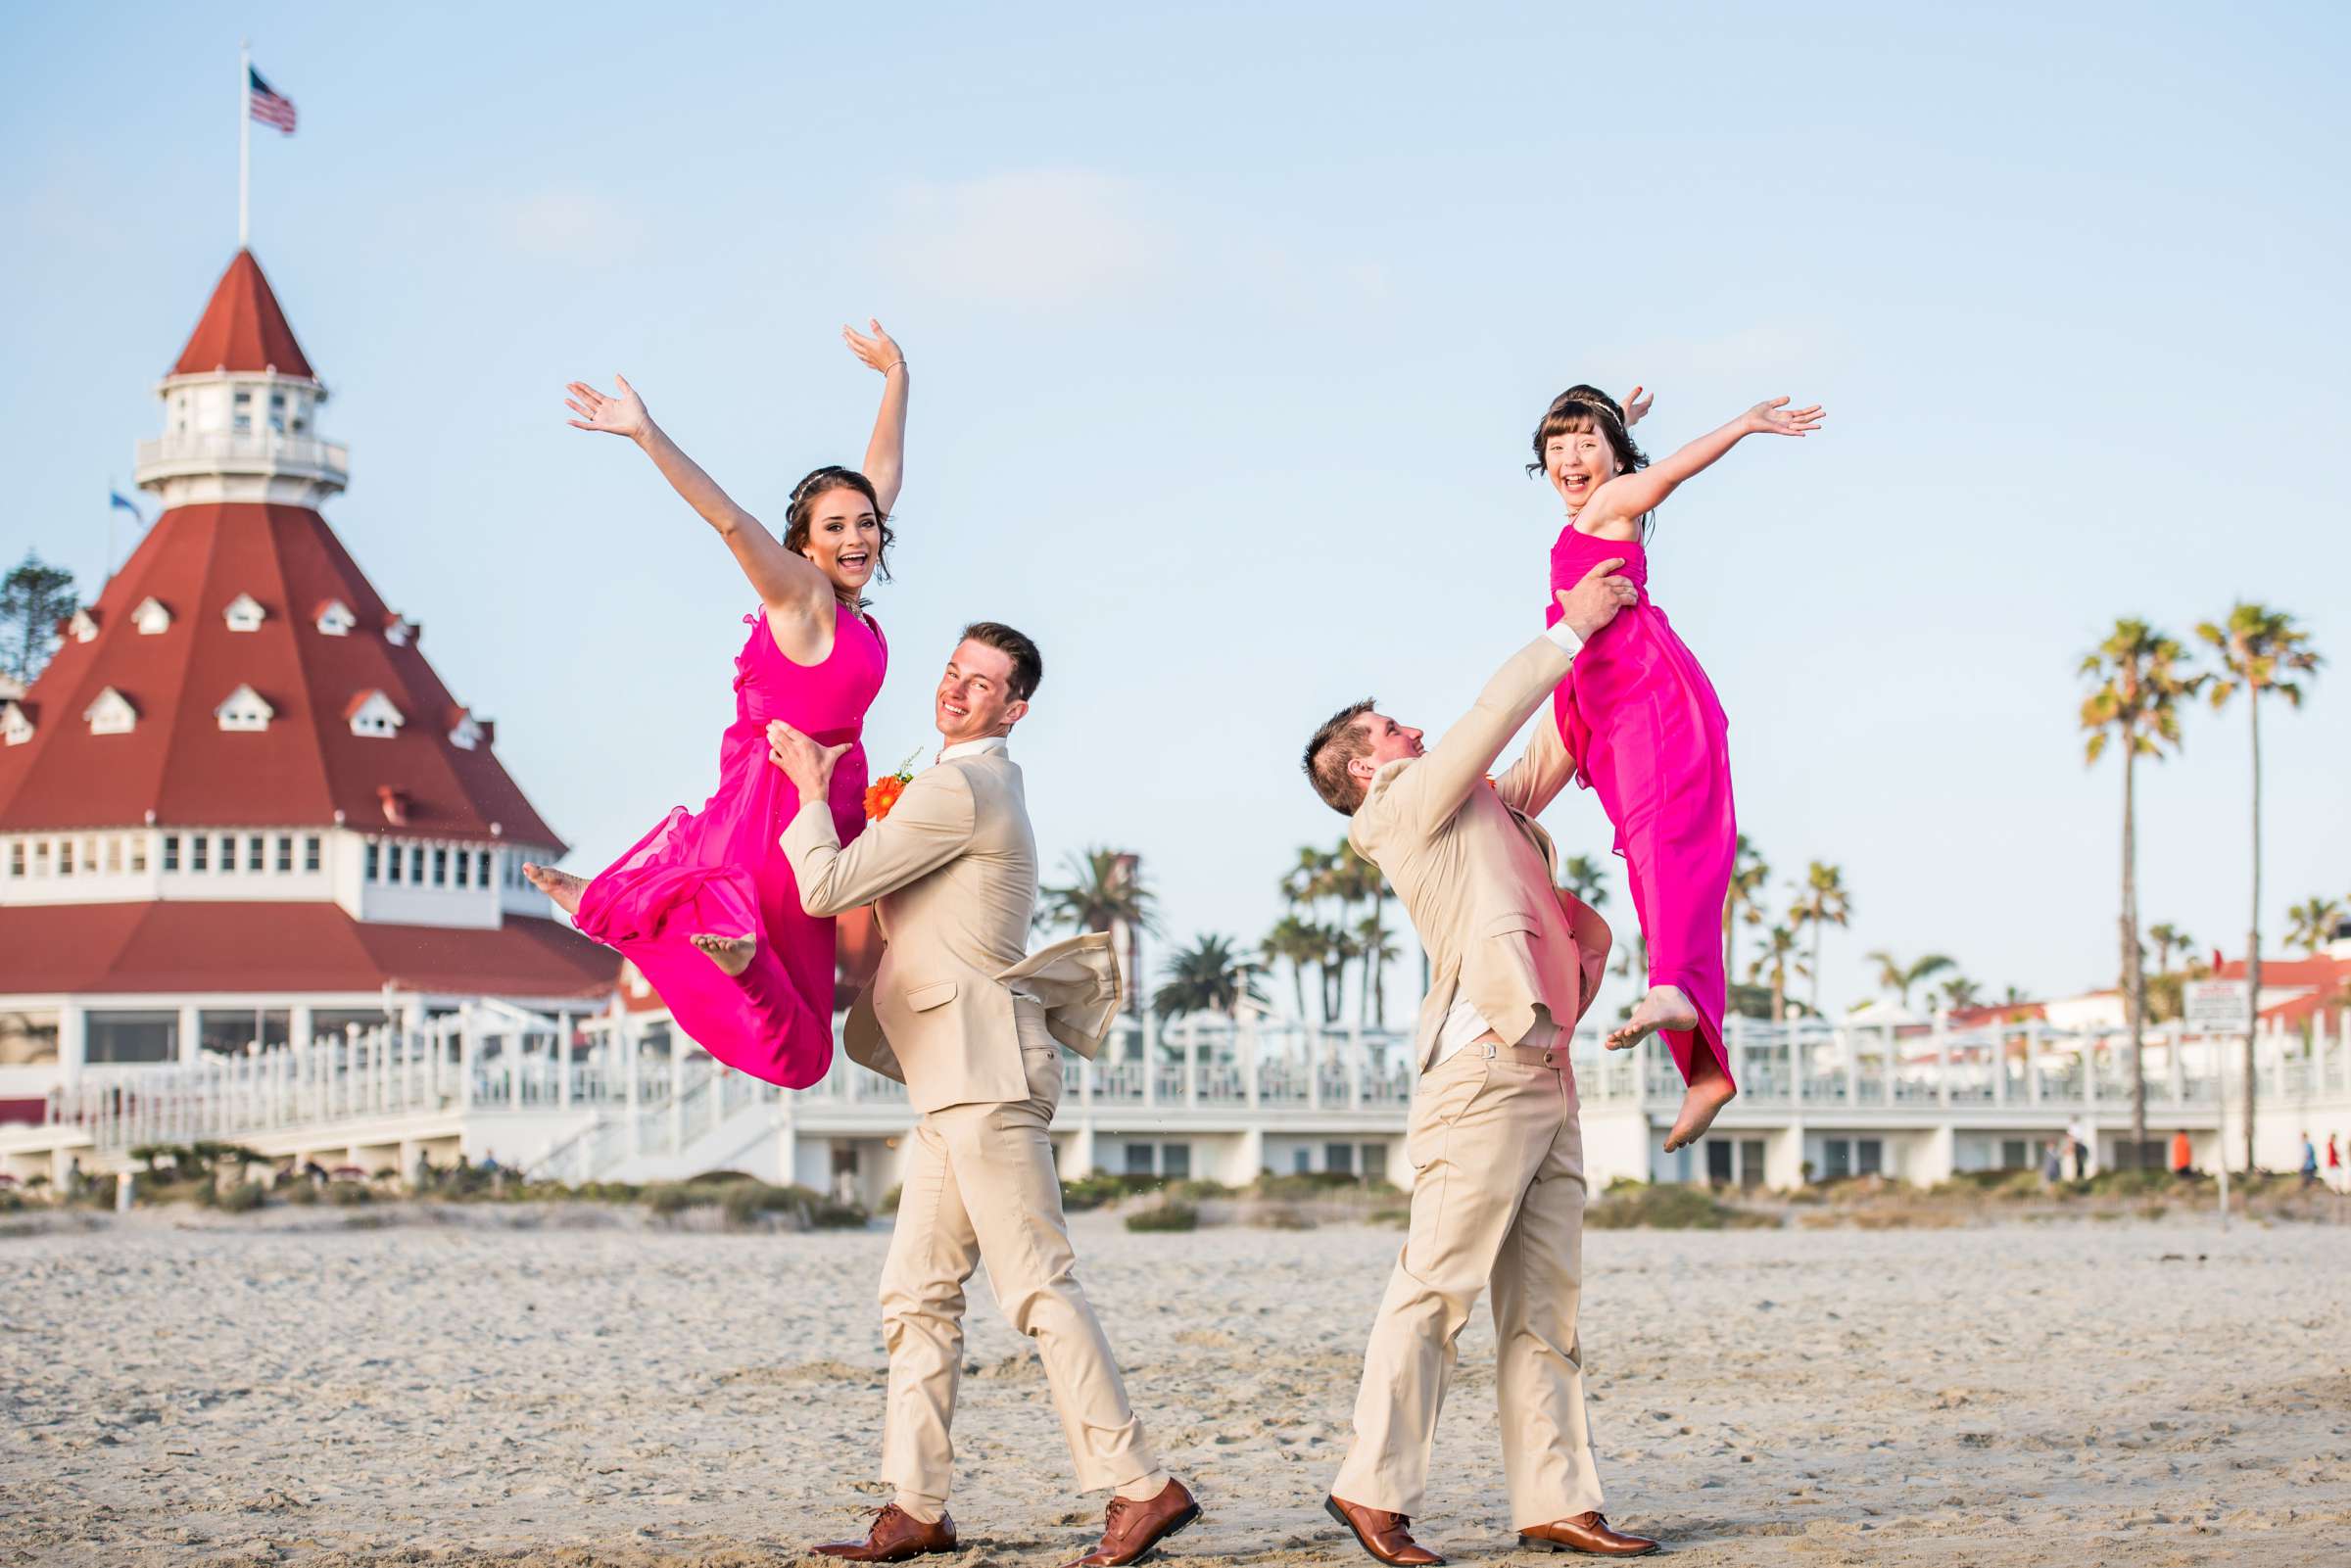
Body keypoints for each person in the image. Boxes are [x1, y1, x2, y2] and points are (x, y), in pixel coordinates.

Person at [766, 623, 1199, 1568]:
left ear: (1015, 709)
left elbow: (826, 886)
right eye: (953, 673)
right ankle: (916, 1504)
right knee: (915, 1293)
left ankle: (1141, 1484)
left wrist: (808, 791)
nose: (958, 690)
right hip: (950, 1076)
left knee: (1039, 1282)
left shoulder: (962, 787)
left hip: (985, 1075)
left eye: (983, 683)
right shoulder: (963, 783)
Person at [1302, 559, 1658, 1562]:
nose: (1409, 728)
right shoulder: (1397, 811)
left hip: (1547, 1062)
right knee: (1436, 1285)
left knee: (1547, 1300)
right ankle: (1370, 1488)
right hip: (1484, 1066)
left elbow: (1547, 740)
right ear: (1366, 768)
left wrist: (1606, 621)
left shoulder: (1479, 806)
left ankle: (1556, 1498)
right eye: (1390, 728)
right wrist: (1566, 631)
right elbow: (1494, 712)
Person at [528, 324, 909, 1089]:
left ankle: (615, 909)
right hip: (778, 812)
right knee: (803, 1056)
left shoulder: (849, 599)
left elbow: (882, 473)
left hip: (819, 810)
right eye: (835, 527)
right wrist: (645, 433)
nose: (857, 535)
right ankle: (630, 914)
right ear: (802, 544)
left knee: (805, 1040)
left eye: (865, 523)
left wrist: (897, 374)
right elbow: (731, 519)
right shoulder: (802, 596)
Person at [1526, 385, 1823, 1154]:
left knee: (1662, 845)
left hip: (1644, 695)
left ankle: (1676, 997)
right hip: (1612, 703)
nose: (1570, 459)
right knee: (1656, 859)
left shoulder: (1614, 500)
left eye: (1586, 444)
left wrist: (1745, 424)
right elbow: (1617, 463)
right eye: (1558, 449)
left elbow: (1670, 475)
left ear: (1617, 460)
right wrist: (1616, 422)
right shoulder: (1588, 507)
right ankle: (1705, 1066)